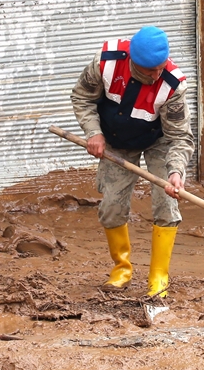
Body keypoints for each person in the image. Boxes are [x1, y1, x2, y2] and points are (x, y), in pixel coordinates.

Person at [70, 26, 194, 298]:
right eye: (150, 71)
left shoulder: (173, 84)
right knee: (111, 206)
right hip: (114, 138)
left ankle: (158, 277)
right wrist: (94, 133)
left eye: (160, 67)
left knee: (167, 202)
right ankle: (121, 269)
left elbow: (180, 137)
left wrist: (175, 172)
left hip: (159, 139)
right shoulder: (106, 62)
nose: (157, 74)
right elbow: (82, 97)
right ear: (132, 61)